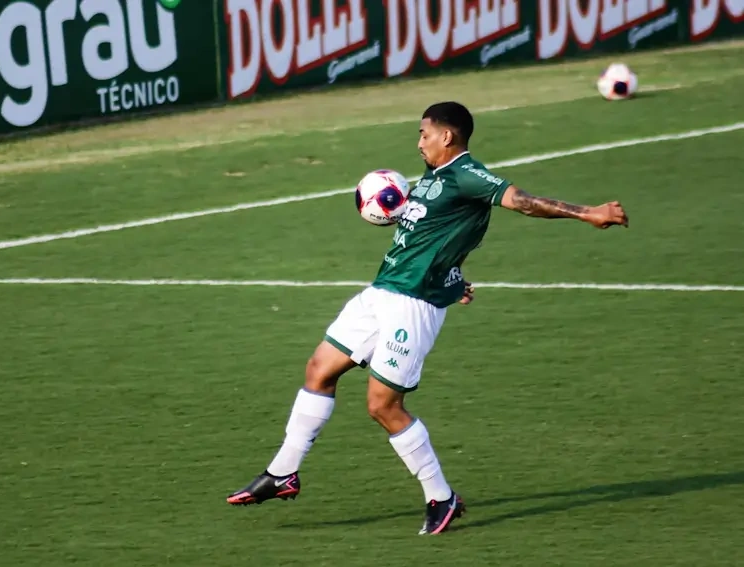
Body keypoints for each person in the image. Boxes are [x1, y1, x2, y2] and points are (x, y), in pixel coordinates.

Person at [226, 101, 629, 535]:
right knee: (319, 369)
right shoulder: (431, 180)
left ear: (447, 137)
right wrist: (454, 280)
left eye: (424, 133)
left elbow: (523, 202)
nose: (418, 142)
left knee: (383, 406)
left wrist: (587, 212)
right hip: (380, 292)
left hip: (412, 306)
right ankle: (284, 471)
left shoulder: (467, 174)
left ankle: (441, 497)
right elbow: (436, 241)